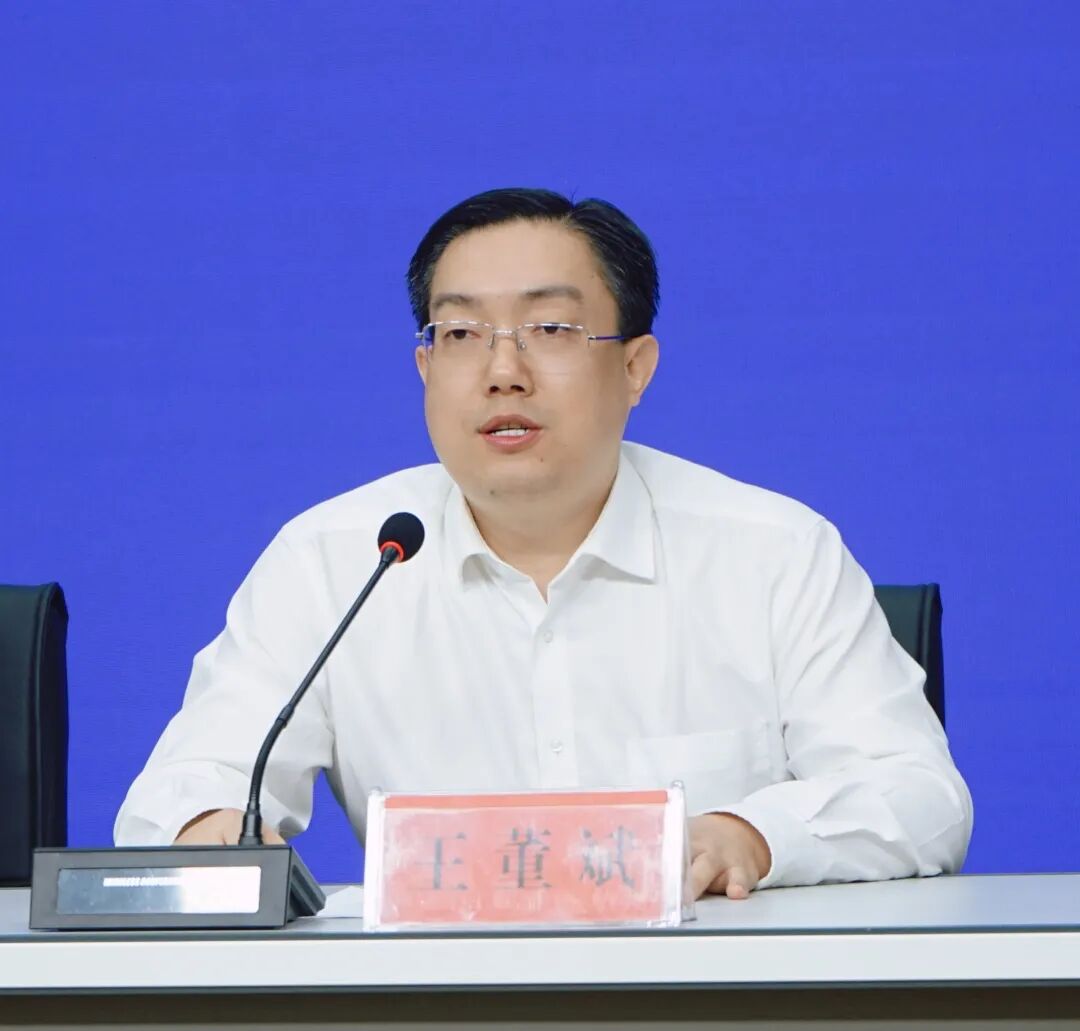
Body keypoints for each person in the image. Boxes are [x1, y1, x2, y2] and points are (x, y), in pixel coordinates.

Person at [115, 187, 972, 899]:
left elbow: (920, 797)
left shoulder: (772, 553)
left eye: (551, 330)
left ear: (635, 368)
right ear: (425, 369)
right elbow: (185, 790)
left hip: (711, 1013)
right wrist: (211, 828)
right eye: (461, 334)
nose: (503, 371)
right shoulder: (336, 561)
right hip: (429, 1021)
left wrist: (751, 834)